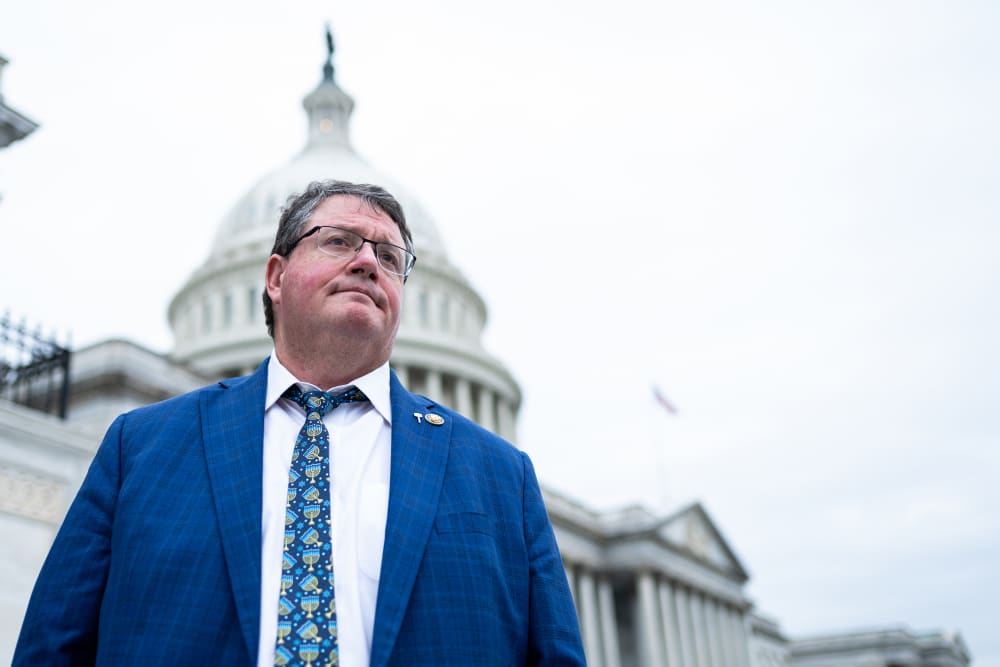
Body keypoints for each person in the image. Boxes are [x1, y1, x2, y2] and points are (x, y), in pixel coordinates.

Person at [13, 180, 584, 666]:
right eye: (339, 242)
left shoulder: (500, 475)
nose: (367, 261)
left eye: (389, 258)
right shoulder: (140, 448)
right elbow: (52, 644)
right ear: (276, 277)